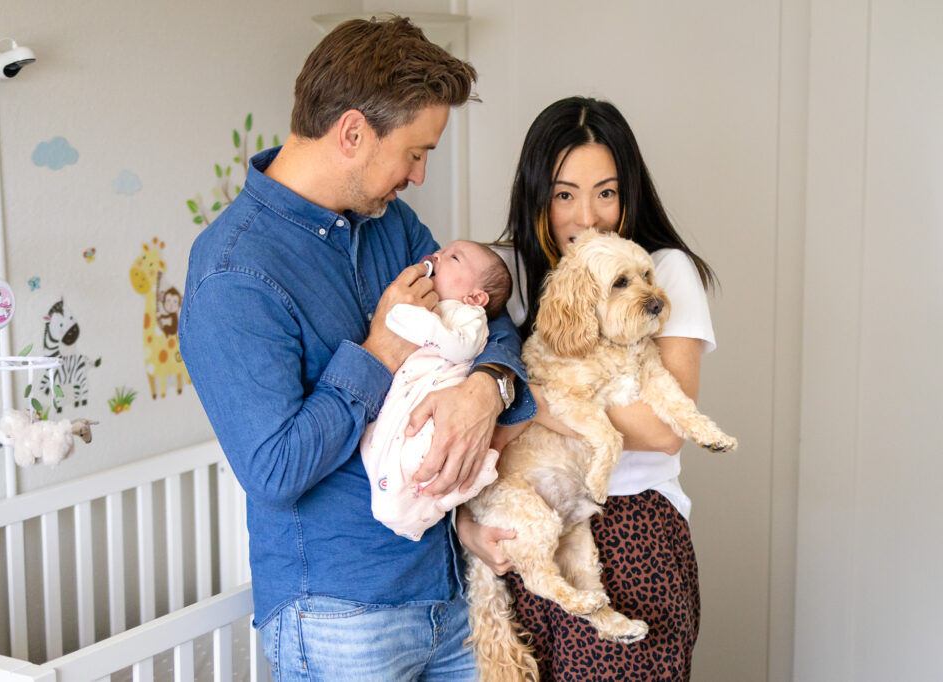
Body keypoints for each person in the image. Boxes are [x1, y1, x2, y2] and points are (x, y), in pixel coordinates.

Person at [178, 16, 532, 681]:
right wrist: (379, 351)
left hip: (448, 588)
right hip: (340, 616)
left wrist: (486, 388)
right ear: (351, 132)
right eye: (415, 151)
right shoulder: (234, 274)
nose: (421, 175)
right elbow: (276, 470)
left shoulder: (390, 225)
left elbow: (489, 319)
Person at [458, 96, 719, 681]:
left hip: (630, 529)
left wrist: (538, 401)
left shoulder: (663, 271)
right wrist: (470, 530)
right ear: (537, 197)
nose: (589, 217)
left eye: (606, 192)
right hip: (523, 531)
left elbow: (663, 431)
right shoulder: (503, 277)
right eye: (564, 194)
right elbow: (466, 417)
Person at [362, 240, 513, 541]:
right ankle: (423, 503)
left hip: (437, 400)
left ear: (475, 296)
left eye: (453, 257)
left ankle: (442, 496)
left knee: (423, 455)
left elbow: (461, 346)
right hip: (408, 395)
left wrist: (417, 321)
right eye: (442, 251)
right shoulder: (432, 306)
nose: (438, 256)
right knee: (373, 444)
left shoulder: (469, 316)